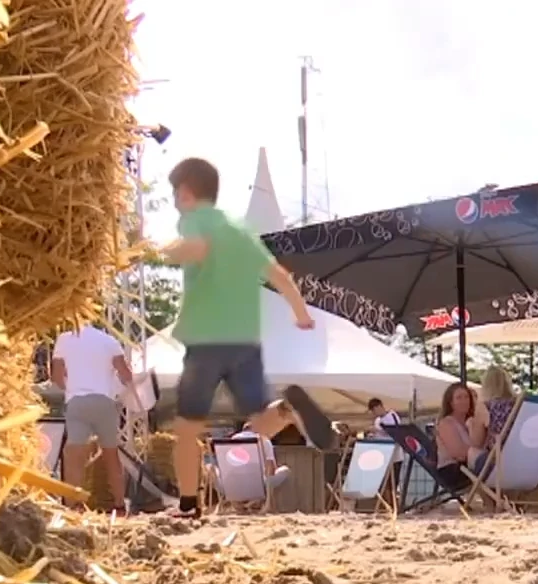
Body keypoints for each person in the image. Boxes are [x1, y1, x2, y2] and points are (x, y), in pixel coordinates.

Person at [161, 157, 336, 519]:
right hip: (244, 340)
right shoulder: (242, 232)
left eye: (176, 193)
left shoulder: (195, 219)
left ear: (188, 192)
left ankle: (188, 505)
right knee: (257, 420)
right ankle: (287, 410)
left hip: (206, 337)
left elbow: (196, 248)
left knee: (188, 426)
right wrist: (301, 315)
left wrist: (159, 250)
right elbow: (281, 277)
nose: (176, 200)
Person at [50, 323, 133, 511]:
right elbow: (127, 375)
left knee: (75, 457)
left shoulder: (63, 339)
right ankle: (120, 505)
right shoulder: (109, 341)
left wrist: (71, 387)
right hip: (105, 401)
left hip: (77, 401)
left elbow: (56, 377)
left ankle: (74, 505)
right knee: (111, 456)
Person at [434, 382, 485, 487]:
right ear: (451, 403)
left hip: (471, 467)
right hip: (452, 470)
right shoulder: (446, 423)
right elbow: (458, 453)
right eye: (459, 398)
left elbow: (481, 445)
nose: (464, 401)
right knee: (491, 470)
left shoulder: (472, 422)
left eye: (466, 397)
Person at [472, 367, 516, 454]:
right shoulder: (517, 403)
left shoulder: (485, 406)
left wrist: (471, 426)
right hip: (518, 451)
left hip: (497, 458)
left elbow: (477, 442)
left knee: (471, 452)